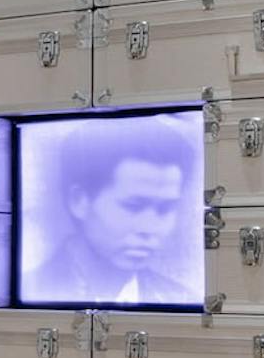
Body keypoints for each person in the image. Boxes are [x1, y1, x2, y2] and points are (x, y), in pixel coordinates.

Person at [21, 114, 201, 306]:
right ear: (79, 201)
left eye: (165, 209)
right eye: (133, 206)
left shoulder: (182, 299)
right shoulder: (30, 290)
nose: (149, 228)